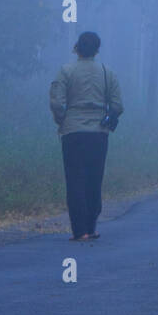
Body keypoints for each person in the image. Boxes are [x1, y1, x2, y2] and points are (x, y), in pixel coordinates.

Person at [50, 31, 123, 242]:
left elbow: (56, 102)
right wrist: (109, 116)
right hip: (99, 134)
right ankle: (91, 228)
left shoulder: (66, 71)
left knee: (75, 181)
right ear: (97, 50)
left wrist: (62, 119)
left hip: (73, 133)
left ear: (76, 48)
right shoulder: (107, 72)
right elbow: (118, 105)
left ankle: (79, 230)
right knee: (94, 179)